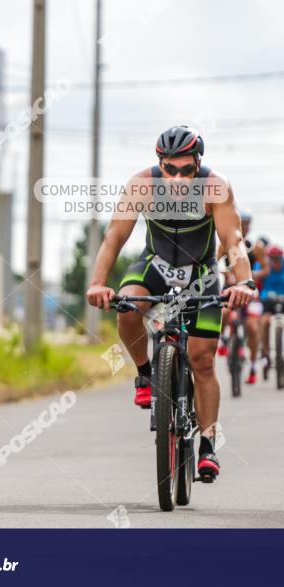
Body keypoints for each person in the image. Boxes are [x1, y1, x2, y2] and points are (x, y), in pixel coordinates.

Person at [86, 125, 256, 481]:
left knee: (203, 360)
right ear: (159, 164)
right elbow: (114, 237)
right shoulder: (141, 186)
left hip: (202, 274)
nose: (178, 178)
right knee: (128, 307)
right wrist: (98, 284)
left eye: (186, 169)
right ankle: (146, 374)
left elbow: (234, 239)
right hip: (155, 266)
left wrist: (244, 281)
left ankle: (207, 445)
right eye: (170, 169)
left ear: (198, 162)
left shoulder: (216, 188)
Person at [216, 209, 268, 385]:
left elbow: (267, 269)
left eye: (246, 225)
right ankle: (223, 340)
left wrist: (254, 274)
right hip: (229, 288)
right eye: (241, 224)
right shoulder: (225, 245)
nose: (243, 227)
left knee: (253, 328)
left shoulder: (256, 248)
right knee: (223, 314)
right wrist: (226, 272)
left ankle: (253, 365)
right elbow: (213, 263)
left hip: (248, 289)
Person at [260, 245, 284, 370]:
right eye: (272, 258)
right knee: (264, 322)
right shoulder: (264, 267)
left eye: (277, 258)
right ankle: (266, 352)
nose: (275, 261)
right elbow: (254, 278)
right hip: (268, 302)